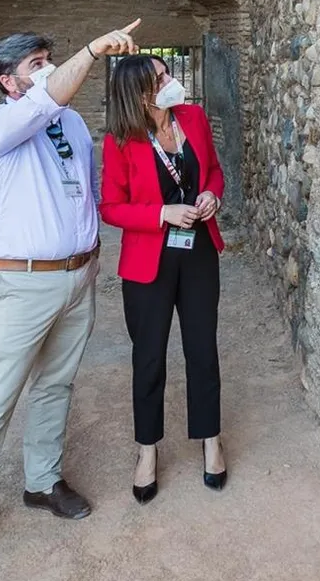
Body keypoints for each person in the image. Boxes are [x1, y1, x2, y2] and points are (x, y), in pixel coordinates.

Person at [0, 20, 142, 581]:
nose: (46, 70)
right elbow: (50, 97)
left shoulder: (70, 122)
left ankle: (42, 482)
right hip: (19, 284)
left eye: (50, 60)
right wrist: (93, 50)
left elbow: (85, 190)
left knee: (56, 385)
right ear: (9, 82)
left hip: (76, 277)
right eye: (35, 65)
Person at [99, 54, 228, 503]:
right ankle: (147, 450)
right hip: (147, 263)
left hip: (199, 253)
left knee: (202, 348)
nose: (171, 80)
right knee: (149, 357)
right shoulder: (120, 140)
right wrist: (161, 213)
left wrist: (211, 192)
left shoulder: (192, 117)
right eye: (161, 77)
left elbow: (212, 169)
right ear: (139, 93)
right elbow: (111, 207)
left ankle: (211, 439)